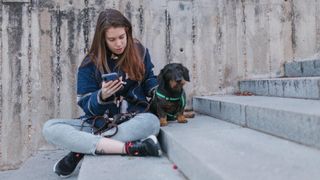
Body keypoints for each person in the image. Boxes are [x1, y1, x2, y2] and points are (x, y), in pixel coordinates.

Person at [42, 8, 161, 178]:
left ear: (127, 32)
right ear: (102, 39)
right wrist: (101, 96)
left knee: (152, 122)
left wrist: (158, 91)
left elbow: (149, 78)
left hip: (133, 119)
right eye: (112, 39)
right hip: (98, 122)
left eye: (122, 37)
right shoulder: (89, 63)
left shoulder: (139, 51)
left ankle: (81, 149)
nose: (119, 44)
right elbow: (84, 104)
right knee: (50, 128)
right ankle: (127, 148)